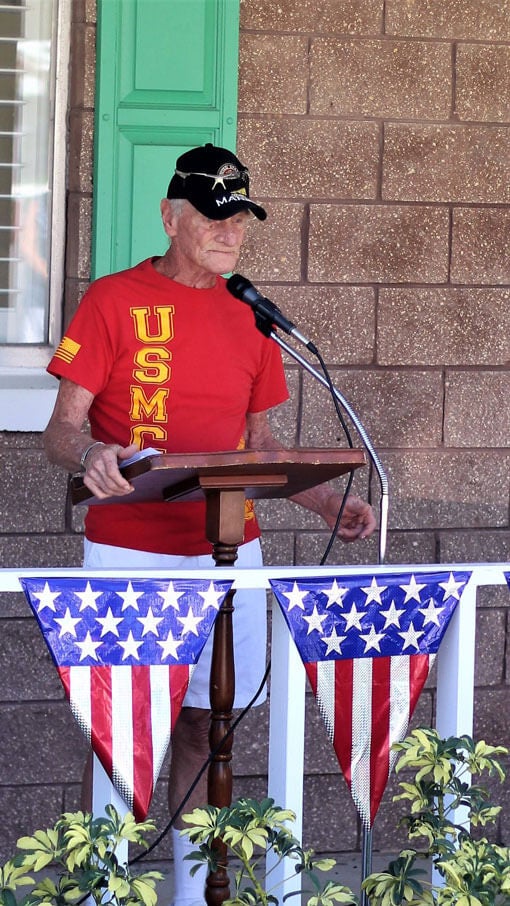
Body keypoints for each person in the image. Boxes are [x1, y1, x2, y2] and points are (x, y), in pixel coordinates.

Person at [43, 143, 376, 906]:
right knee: (121, 738)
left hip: (229, 555)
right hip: (131, 555)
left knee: (207, 728)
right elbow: (59, 431)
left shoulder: (252, 317)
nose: (231, 232)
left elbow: (259, 452)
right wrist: (93, 453)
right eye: (215, 217)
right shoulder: (111, 301)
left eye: (242, 219)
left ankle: (200, 893)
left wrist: (328, 503)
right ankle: (108, 889)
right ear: (171, 216)